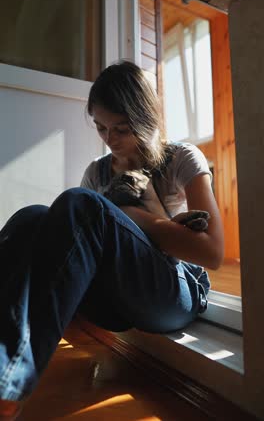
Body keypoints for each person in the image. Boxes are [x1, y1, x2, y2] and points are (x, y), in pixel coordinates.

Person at [0, 60, 224, 420]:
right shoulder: (98, 171)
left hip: (173, 291)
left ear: (145, 118)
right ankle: (3, 369)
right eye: (101, 128)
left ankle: (6, 388)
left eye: (121, 128)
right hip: (114, 298)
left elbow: (211, 254)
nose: (110, 139)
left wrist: (137, 214)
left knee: (79, 202)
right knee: (33, 218)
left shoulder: (181, 157)